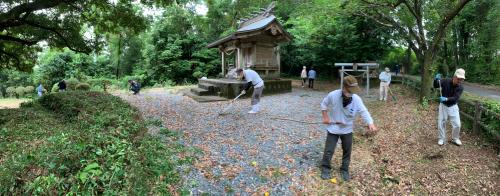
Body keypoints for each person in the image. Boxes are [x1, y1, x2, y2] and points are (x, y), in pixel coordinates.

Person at [320, 75, 378, 181]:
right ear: (344, 87)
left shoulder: (356, 99)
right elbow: (323, 105)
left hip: (347, 129)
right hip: (333, 127)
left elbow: (364, 111)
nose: (351, 93)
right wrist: (325, 117)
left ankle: (344, 169)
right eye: (350, 90)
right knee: (329, 150)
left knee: (347, 150)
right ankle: (325, 167)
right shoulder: (333, 95)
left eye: (353, 91)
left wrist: (371, 123)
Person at [434, 68, 465, 146]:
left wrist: (446, 98)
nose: (460, 81)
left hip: (453, 106)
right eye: (458, 79)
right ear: (454, 76)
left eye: (461, 79)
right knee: (441, 122)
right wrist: (436, 79)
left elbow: (455, 98)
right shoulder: (445, 81)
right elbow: (436, 85)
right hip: (443, 106)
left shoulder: (460, 87)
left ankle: (455, 138)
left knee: (457, 124)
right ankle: (441, 138)